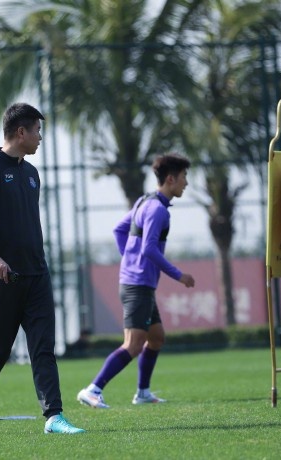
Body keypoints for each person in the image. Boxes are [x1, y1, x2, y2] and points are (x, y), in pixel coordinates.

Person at [0, 102, 85, 437]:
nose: (40, 138)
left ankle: (54, 417)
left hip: (36, 275)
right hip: (0, 277)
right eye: (37, 131)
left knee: (43, 348)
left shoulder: (31, 173)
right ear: (21, 132)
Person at [77, 154, 196, 409]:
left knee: (156, 338)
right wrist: (179, 275)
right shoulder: (158, 210)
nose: (186, 183)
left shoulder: (145, 201)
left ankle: (142, 392)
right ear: (171, 179)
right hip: (137, 285)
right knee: (133, 344)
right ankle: (93, 389)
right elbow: (150, 250)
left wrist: (129, 259)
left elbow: (119, 230)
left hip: (139, 283)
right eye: (184, 178)